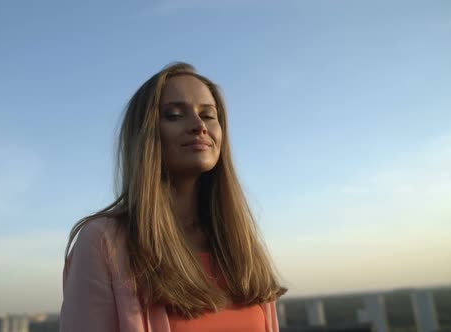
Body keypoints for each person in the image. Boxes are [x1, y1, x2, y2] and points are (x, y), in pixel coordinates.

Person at [60, 62, 286, 332]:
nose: (199, 126)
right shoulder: (103, 243)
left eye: (208, 115)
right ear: (145, 135)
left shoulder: (240, 244)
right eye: (175, 115)